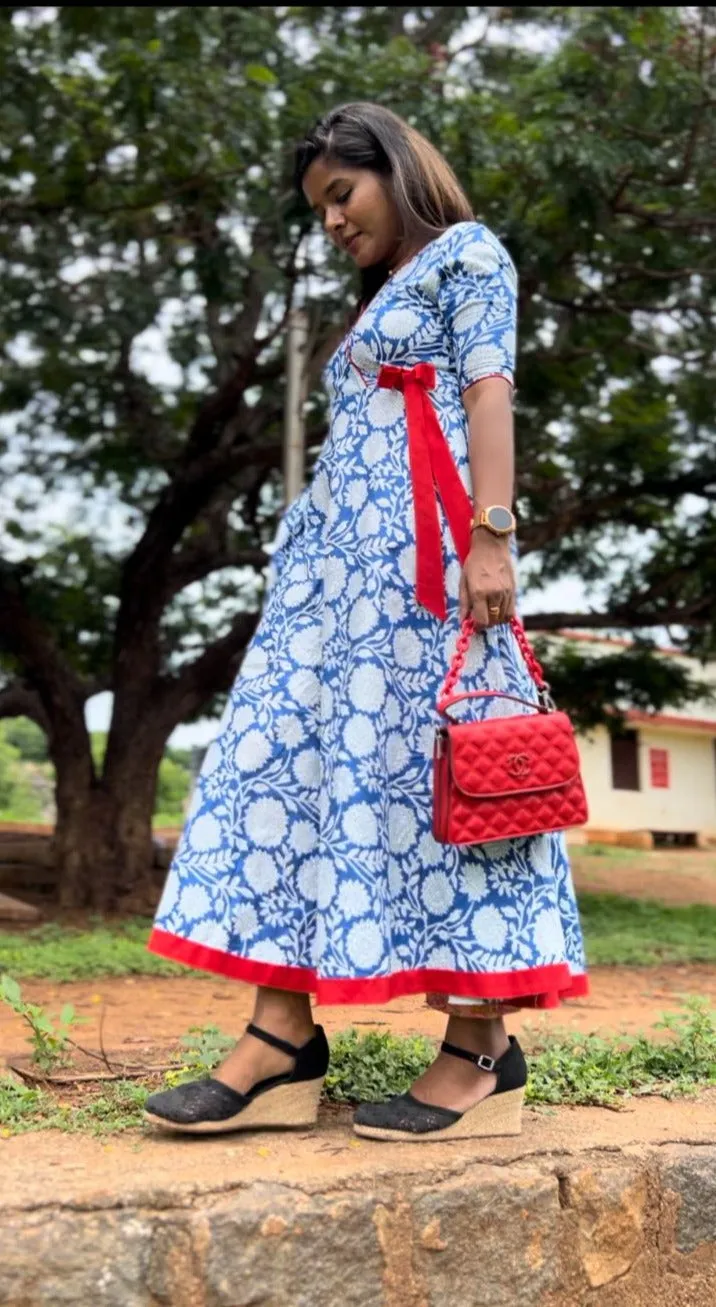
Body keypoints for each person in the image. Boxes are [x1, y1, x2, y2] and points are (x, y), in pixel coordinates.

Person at [145, 102, 588, 1142]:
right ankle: (279, 1039)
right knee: (275, 766)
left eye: (340, 195)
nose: (331, 222)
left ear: (394, 167)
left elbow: (487, 395)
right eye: (318, 209)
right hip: (336, 583)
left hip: (429, 569)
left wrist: (492, 535)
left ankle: (482, 1050)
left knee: (456, 772)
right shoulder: (382, 291)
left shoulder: (467, 254)